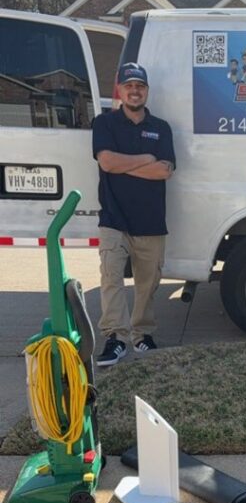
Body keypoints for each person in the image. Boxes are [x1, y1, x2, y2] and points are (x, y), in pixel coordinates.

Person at [92, 62, 176, 367]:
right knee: (111, 279)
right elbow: (107, 163)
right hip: (113, 219)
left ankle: (142, 335)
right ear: (120, 90)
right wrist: (144, 159)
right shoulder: (105, 124)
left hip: (151, 221)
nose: (134, 90)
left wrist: (127, 164)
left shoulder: (161, 128)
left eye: (139, 86)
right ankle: (116, 338)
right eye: (129, 86)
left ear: (146, 90)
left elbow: (164, 170)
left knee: (147, 283)